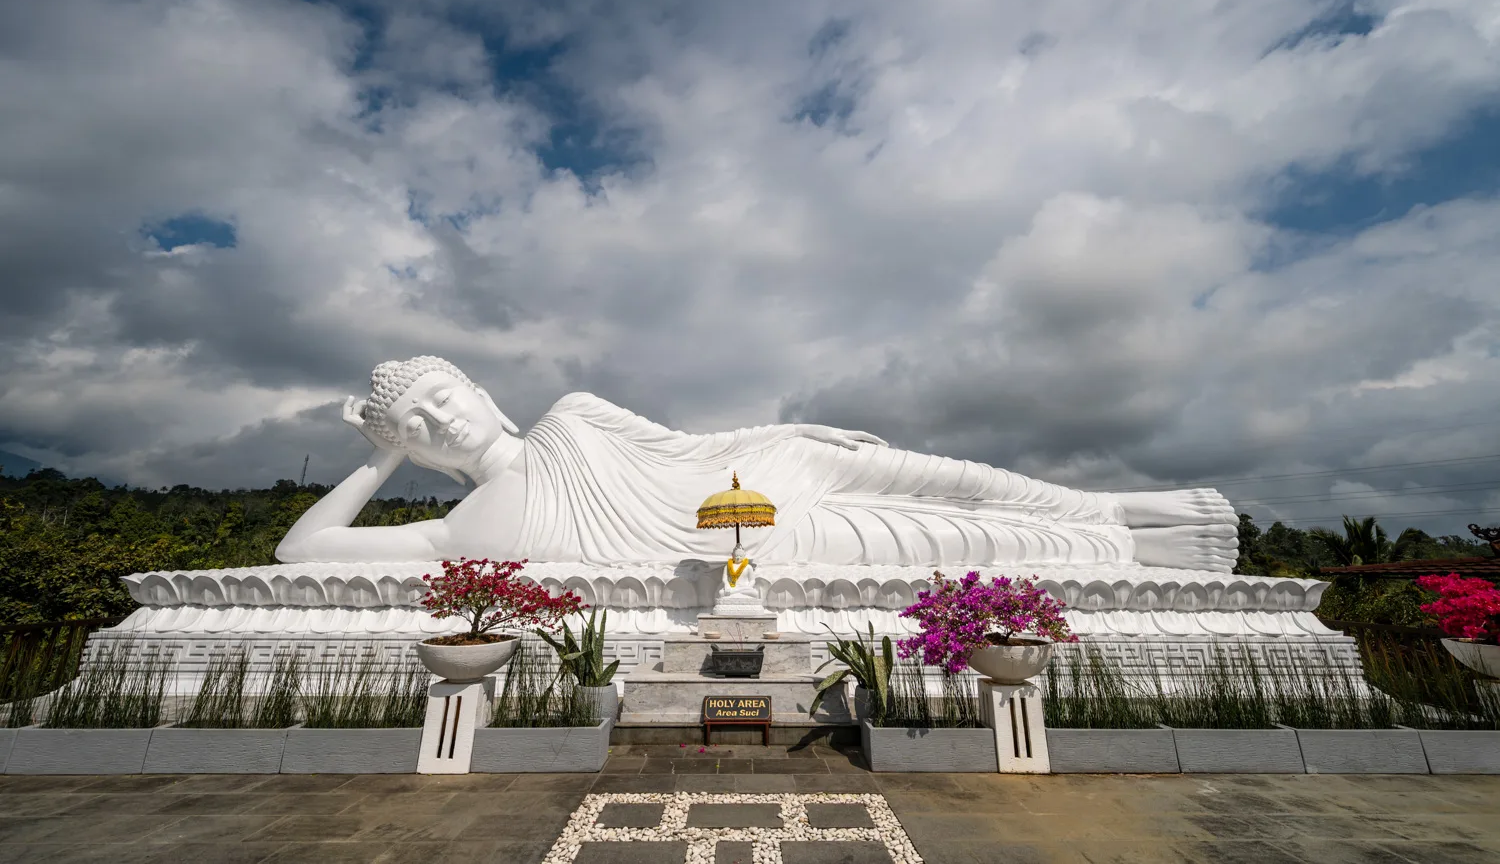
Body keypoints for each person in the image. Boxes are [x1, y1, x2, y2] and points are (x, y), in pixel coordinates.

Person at [275, 356, 1239, 570]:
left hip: (759, 472)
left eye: (446, 399)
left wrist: (803, 432)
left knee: (964, 480)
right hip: (751, 549)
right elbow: (301, 555)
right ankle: (1133, 551)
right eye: (418, 427)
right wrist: (377, 461)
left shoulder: (572, 414)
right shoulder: (465, 527)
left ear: (482, 392)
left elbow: (687, 446)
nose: (443, 423)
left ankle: (1112, 502)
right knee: (962, 538)